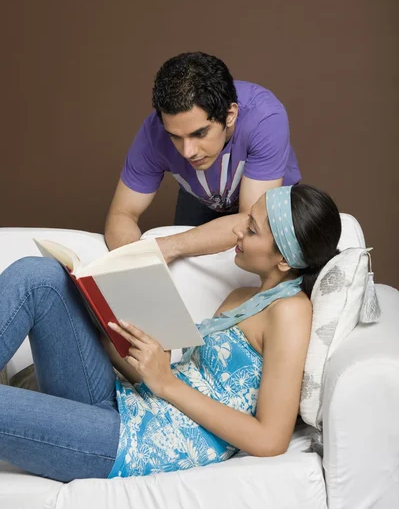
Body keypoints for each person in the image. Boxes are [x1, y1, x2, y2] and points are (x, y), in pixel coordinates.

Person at [0, 184, 341, 482]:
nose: (237, 230)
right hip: (127, 401)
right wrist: (101, 324)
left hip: (134, 444)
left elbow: (271, 439)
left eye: (251, 230)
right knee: (40, 276)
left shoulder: (291, 312)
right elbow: (166, 380)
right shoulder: (241, 297)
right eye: (247, 218)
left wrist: (166, 382)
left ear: (284, 260)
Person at [105, 52, 301, 263]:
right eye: (175, 137)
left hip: (265, 205)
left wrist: (168, 247)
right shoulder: (154, 133)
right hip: (202, 198)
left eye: (199, 133)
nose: (187, 151)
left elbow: (249, 219)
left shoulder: (265, 117)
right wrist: (131, 260)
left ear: (230, 115)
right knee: (184, 272)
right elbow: (122, 213)